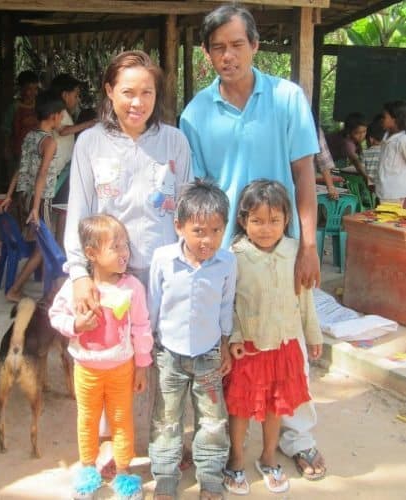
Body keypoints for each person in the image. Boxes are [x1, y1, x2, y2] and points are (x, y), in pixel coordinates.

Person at [179, 4, 326, 480]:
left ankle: (298, 438)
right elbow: (197, 190)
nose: (228, 55)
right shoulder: (195, 114)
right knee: (226, 348)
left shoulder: (285, 97)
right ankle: (219, 439)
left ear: (255, 46)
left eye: (237, 44)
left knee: (288, 343)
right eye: (218, 47)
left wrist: (307, 246)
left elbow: (305, 172)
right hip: (223, 254)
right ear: (206, 54)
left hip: (283, 248)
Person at [63, 50, 192, 477]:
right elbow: (79, 212)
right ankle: (108, 446)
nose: (137, 102)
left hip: (162, 274)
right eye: (127, 92)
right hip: (107, 275)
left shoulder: (174, 141)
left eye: (147, 92)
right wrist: (80, 275)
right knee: (106, 356)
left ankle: (161, 441)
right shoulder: (90, 143)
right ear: (109, 92)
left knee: (156, 357)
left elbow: (187, 210)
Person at [223, 180, 323, 495]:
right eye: (257, 221)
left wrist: (312, 334)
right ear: (242, 221)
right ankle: (236, 458)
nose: (266, 229)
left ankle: (267, 457)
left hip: (284, 345)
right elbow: (228, 305)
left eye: (274, 221)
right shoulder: (233, 256)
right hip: (249, 349)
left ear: (286, 221)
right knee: (240, 406)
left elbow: (305, 298)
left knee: (275, 407)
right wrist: (234, 338)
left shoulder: (296, 252)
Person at [49, 214, 153, 500]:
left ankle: (123, 475)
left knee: (122, 420)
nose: (124, 253)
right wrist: (76, 326)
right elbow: (55, 315)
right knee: (87, 419)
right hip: (85, 370)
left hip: (122, 369)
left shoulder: (132, 287)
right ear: (91, 254)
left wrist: (142, 366)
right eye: (115, 247)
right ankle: (87, 470)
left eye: (125, 246)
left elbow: (142, 328)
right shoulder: (76, 288)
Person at [147, 179, 236, 500]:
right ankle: (166, 479)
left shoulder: (227, 263)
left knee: (212, 420)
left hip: (209, 354)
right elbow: (152, 306)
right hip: (168, 355)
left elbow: (226, 306)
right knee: (166, 419)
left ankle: (211, 480)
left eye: (216, 231)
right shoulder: (162, 259)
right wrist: (148, 350)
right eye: (199, 231)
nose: (207, 240)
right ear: (179, 226)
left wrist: (225, 344)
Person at [0, 90, 66, 302]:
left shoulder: (30, 136)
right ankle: (16, 290)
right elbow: (42, 174)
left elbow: (21, 168)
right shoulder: (49, 142)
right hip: (40, 198)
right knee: (44, 245)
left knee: (43, 243)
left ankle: (49, 291)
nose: (62, 118)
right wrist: (37, 208)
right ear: (54, 115)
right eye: (61, 114)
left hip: (25, 195)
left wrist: (9, 195)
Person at [49, 74, 97, 203]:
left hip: (63, 167)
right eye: (75, 96)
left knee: (62, 205)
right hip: (59, 169)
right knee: (61, 205)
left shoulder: (64, 113)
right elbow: (63, 131)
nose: (77, 100)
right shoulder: (58, 113)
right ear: (65, 95)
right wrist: (89, 124)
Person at [376, 100, 406, 204]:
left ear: (395, 119)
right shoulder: (386, 137)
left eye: (385, 117)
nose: (382, 120)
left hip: (397, 195)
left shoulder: (403, 139)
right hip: (383, 192)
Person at [326, 112, 368, 182]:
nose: (362, 136)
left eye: (364, 131)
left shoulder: (347, 137)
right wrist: (366, 177)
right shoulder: (347, 144)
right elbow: (356, 162)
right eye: (357, 133)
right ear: (349, 132)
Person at [364, 115, 384, 190]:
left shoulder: (364, 153)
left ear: (370, 138)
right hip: (384, 192)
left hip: (367, 193)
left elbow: (360, 170)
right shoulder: (387, 152)